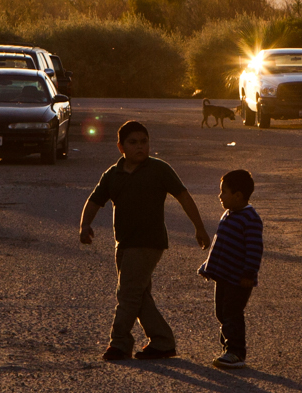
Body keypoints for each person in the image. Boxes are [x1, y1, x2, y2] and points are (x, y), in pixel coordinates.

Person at [77, 119, 209, 360]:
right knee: (139, 294)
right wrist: (85, 225)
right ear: (121, 147)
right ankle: (162, 342)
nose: (140, 147)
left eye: (144, 142)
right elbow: (95, 200)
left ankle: (119, 343)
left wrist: (199, 227)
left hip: (149, 242)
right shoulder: (113, 174)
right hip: (124, 243)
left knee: (127, 293)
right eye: (133, 143)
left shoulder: (159, 169)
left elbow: (183, 196)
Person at [196, 168, 261, 369]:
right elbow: (220, 245)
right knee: (222, 313)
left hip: (239, 278)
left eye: (224, 192)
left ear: (238, 195)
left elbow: (254, 248)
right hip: (223, 275)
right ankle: (228, 347)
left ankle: (236, 351)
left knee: (232, 312)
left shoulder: (250, 219)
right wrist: (209, 267)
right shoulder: (229, 214)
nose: (220, 196)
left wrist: (249, 273)